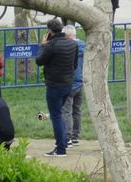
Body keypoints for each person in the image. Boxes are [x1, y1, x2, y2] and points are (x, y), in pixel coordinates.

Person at [35, 18, 77, 157]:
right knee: (59, 114)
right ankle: (63, 143)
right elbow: (74, 65)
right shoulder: (72, 44)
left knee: (56, 116)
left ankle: (60, 149)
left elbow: (39, 61)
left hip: (54, 86)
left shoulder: (50, 46)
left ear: (49, 31)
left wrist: (42, 45)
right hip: (68, 84)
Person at [60, 25, 85, 147]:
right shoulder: (83, 46)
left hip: (69, 82)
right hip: (81, 81)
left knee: (66, 111)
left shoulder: (67, 47)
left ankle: (67, 137)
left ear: (68, 36)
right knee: (77, 110)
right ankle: (75, 136)